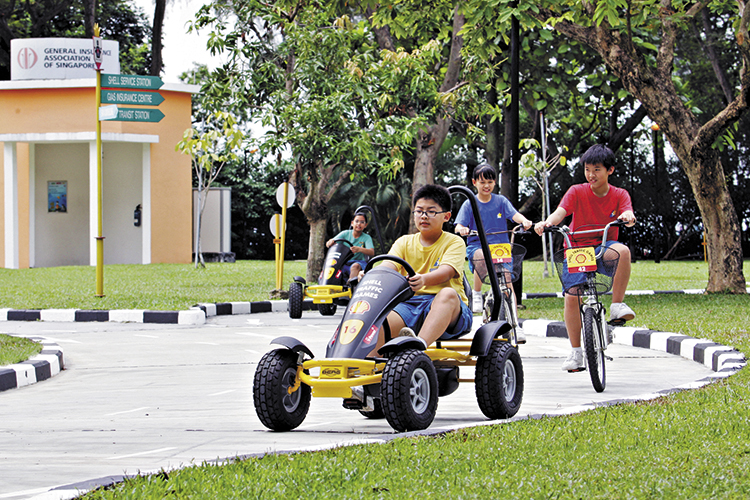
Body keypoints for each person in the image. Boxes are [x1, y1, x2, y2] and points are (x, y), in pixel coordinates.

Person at [534, 144, 636, 372]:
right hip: (578, 248)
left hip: (603, 246)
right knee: (572, 298)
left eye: (596, 169)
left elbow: (628, 213)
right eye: (587, 169)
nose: (591, 175)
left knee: (623, 252)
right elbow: (560, 213)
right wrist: (547, 223)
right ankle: (576, 352)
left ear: (610, 170)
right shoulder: (576, 191)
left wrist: (628, 216)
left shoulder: (620, 194)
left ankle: (617, 305)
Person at [369, 184, 474, 352]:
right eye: (419, 211)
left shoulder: (454, 242)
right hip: (409, 306)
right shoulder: (404, 242)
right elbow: (387, 268)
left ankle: (417, 346)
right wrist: (370, 276)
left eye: (431, 211)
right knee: (378, 321)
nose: (424, 216)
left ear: (446, 216)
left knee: (447, 294)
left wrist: (423, 279)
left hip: (450, 310)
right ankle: (371, 369)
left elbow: (446, 272)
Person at [454, 163, 533, 314]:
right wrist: (463, 229)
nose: (486, 186)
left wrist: (524, 221)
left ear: (495, 182)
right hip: (478, 246)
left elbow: (515, 215)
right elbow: (458, 225)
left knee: (508, 282)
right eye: (482, 182)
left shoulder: (501, 201)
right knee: (481, 257)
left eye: (490, 182)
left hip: (500, 248)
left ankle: (514, 322)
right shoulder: (469, 203)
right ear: (474, 182)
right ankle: (477, 294)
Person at [326, 212, 375, 278]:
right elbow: (331, 242)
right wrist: (330, 242)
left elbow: (372, 252)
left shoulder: (366, 237)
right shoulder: (345, 234)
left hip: (359, 262)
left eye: (362, 222)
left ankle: (351, 285)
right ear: (352, 223)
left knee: (355, 266)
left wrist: (359, 249)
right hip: (344, 262)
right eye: (357, 221)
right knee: (333, 265)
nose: (359, 224)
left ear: (365, 225)